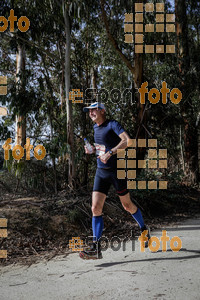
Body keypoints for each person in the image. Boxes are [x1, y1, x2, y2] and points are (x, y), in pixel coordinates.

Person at [79, 102, 150, 259]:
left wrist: (110, 153)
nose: (90, 113)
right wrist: (92, 150)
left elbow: (127, 140)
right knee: (95, 208)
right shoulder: (95, 128)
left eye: (93, 110)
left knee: (127, 205)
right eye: (89, 111)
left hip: (117, 172)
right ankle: (95, 247)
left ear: (103, 111)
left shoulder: (112, 124)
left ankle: (144, 229)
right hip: (101, 172)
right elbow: (101, 148)